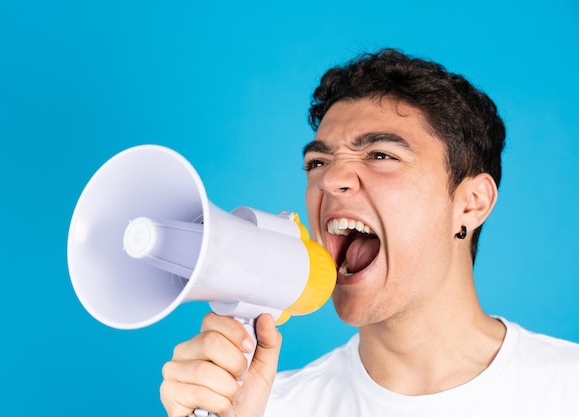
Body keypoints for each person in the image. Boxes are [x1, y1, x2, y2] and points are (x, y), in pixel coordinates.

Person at [159, 48, 579, 417]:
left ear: (471, 204)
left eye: (380, 154)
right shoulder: (263, 406)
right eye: (318, 163)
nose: (330, 180)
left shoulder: (568, 389)